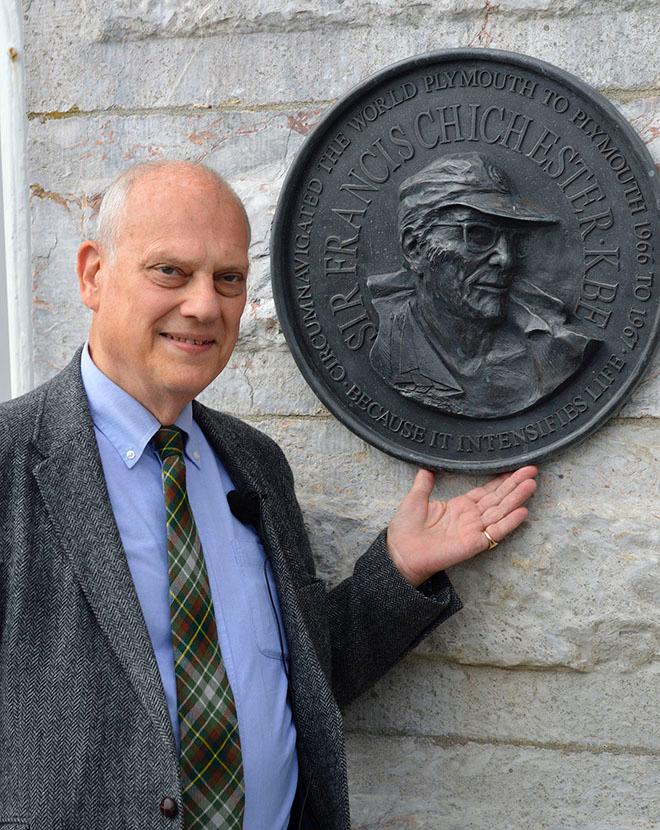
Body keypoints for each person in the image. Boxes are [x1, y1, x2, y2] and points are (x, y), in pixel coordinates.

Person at [0, 160, 538, 830]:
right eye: (170, 271)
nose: (204, 305)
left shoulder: (254, 466)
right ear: (92, 274)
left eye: (227, 279)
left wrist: (398, 570)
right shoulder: (13, 461)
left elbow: (298, 683)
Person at [367, 153, 598, 418]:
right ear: (414, 248)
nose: (506, 258)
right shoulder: (393, 350)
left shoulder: (552, 350)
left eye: (513, 239)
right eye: (478, 234)